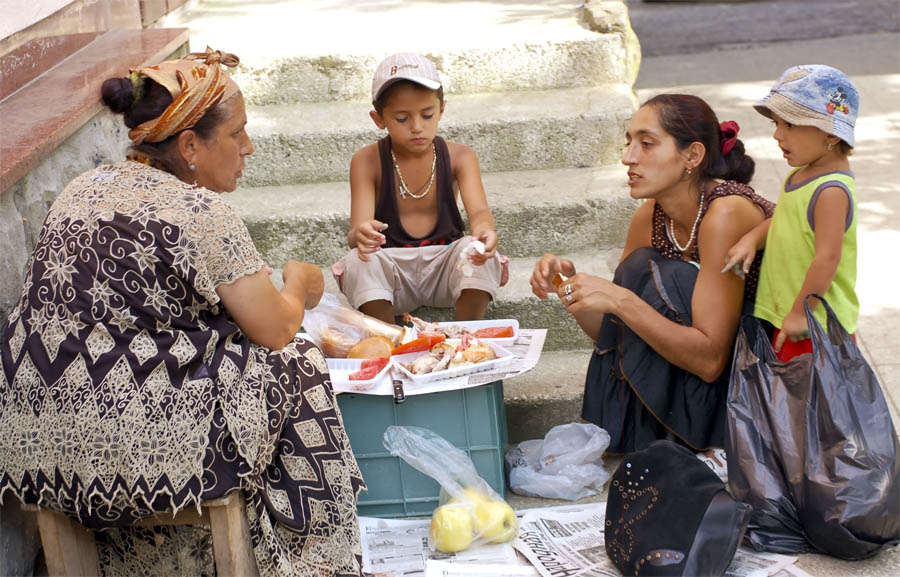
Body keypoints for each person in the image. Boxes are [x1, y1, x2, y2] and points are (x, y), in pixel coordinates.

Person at [0, 49, 365, 576]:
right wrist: (298, 280)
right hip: (130, 449)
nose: (249, 147)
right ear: (190, 145)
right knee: (298, 360)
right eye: (237, 133)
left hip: (33, 436)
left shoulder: (81, 188)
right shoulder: (203, 212)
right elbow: (277, 327)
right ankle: (315, 561)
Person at [530, 94, 774, 455]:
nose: (628, 157)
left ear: (692, 156)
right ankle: (653, 442)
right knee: (640, 269)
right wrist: (566, 286)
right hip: (706, 371)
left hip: (756, 381)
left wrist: (621, 299)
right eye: (629, 143)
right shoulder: (650, 216)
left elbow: (709, 361)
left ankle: (706, 445)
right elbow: (614, 330)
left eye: (646, 144)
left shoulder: (725, 214)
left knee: (664, 277)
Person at [332, 53, 506, 324]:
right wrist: (363, 234)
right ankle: (389, 341)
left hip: (445, 267)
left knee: (476, 251)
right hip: (392, 273)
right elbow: (356, 233)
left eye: (427, 115)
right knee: (359, 260)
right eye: (401, 118)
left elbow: (480, 212)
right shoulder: (367, 161)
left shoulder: (460, 157)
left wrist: (484, 231)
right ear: (379, 119)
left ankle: (466, 334)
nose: (417, 127)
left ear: (442, 109)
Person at [724, 65, 859, 362]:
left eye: (790, 125)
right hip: (790, 315)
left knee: (813, 405)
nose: (777, 134)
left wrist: (801, 313)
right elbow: (786, 222)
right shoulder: (801, 175)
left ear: (831, 134)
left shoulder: (831, 191)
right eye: (776, 124)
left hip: (816, 327)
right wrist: (752, 239)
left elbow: (828, 257)